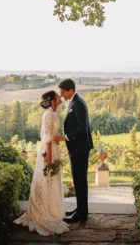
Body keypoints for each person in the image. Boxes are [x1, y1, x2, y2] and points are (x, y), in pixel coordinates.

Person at [14, 90, 70, 236]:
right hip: (48, 152)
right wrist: (49, 158)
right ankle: (44, 214)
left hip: (53, 149)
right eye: (57, 96)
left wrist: (66, 138)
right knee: (47, 181)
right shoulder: (49, 115)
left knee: (52, 182)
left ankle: (51, 211)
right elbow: (47, 138)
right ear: (52, 100)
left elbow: (54, 137)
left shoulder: (54, 113)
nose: (60, 97)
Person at [54, 79, 93, 224]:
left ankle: (82, 214)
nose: (61, 95)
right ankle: (80, 209)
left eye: (63, 92)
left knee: (80, 181)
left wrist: (64, 137)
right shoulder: (74, 102)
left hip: (80, 149)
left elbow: (82, 129)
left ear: (70, 90)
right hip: (77, 149)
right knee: (78, 181)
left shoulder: (79, 104)